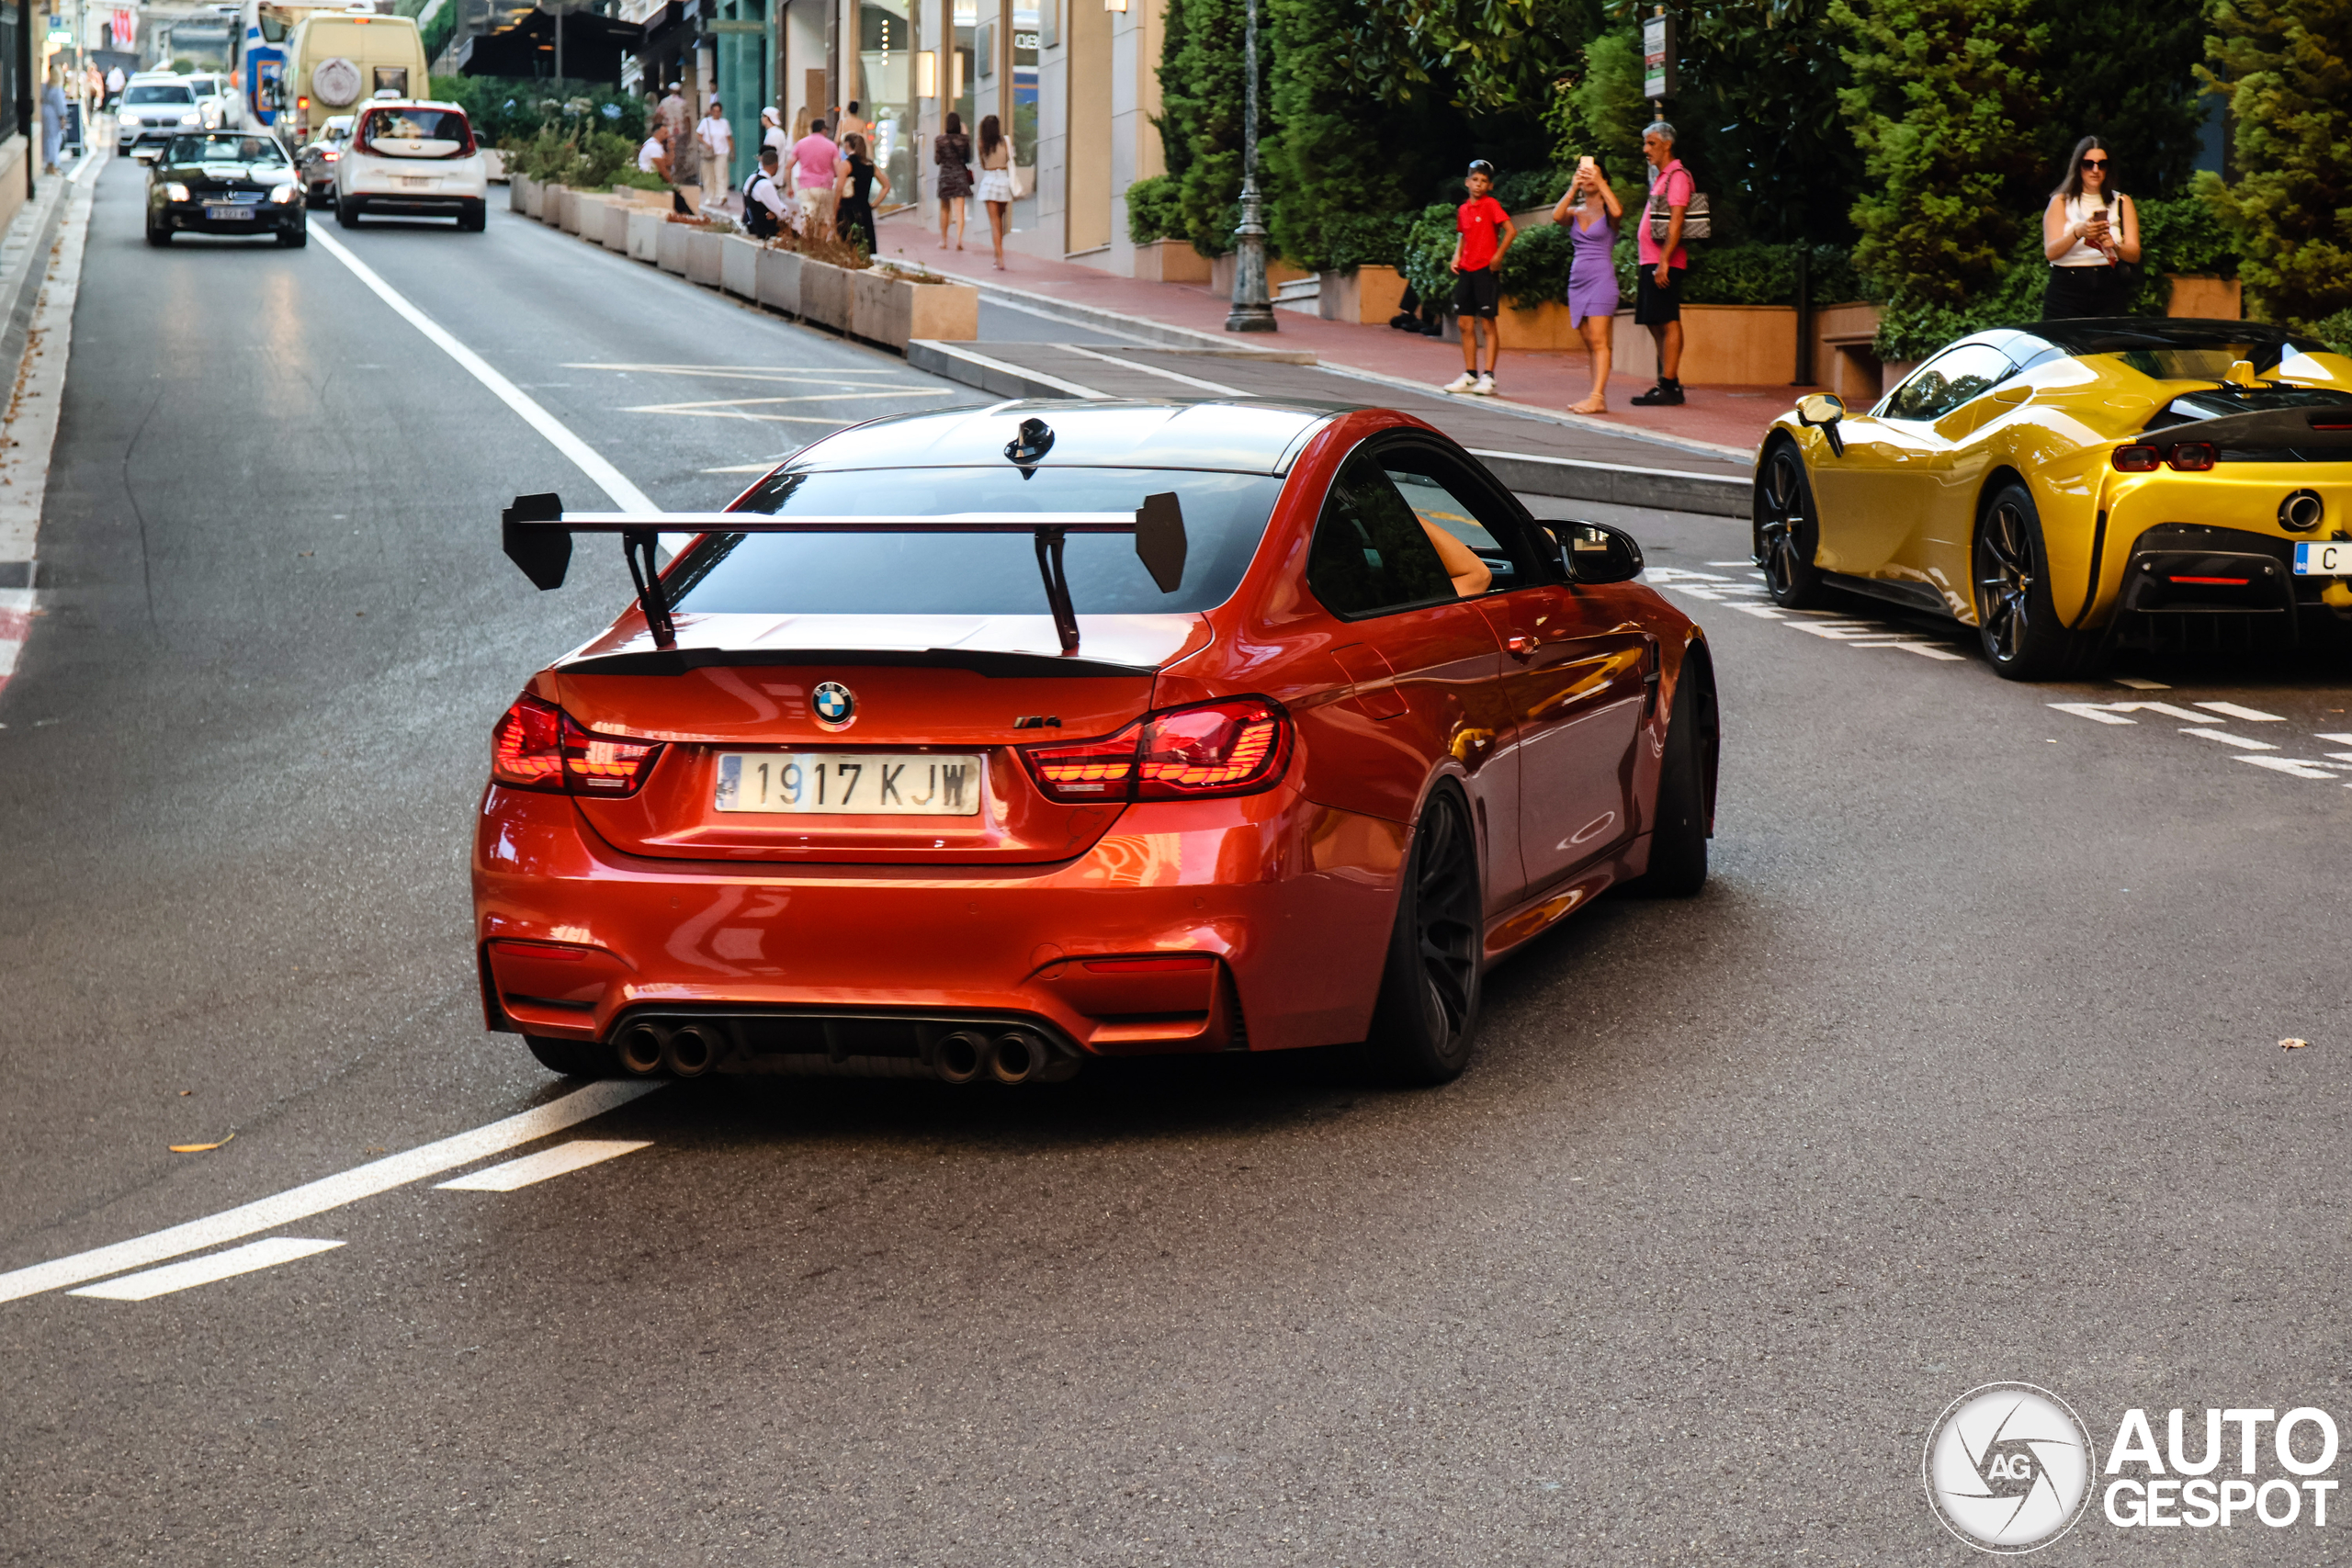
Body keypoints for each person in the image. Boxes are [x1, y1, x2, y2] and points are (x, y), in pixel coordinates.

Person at [1628, 120, 1694, 407]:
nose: (1646, 150)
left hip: (1663, 261)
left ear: (1667, 144)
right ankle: (1667, 382)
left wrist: (1665, 261)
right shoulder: (1661, 176)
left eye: (1651, 143)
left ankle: (1669, 385)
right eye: (1645, 144)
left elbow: (1677, 220)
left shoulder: (1677, 175)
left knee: (1667, 320)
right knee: (1655, 321)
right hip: (1651, 260)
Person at [1553, 154, 1623, 414]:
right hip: (1577, 281)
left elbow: (1618, 212)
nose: (1588, 177)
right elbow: (1556, 216)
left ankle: (1597, 396)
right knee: (1588, 340)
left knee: (1599, 340)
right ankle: (1597, 395)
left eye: (1594, 173)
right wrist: (1573, 186)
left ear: (1603, 178)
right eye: (1585, 173)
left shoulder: (1608, 212)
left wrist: (1600, 182)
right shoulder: (1575, 212)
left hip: (1601, 279)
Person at [2042, 136, 2140, 319]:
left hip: (2109, 286)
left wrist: (2114, 246)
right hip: (2067, 288)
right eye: (2088, 164)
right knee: (2065, 346)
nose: (2095, 170)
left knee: (2110, 346)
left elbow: (2134, 254)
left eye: (2102, 164)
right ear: (2078, 166)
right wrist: (2078, 232)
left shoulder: (2122, 202)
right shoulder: (2061, 201)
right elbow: (2051, 252)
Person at [1442, 160, 1514, 396]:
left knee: (1487, 322)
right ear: (1467, 182)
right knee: (1464, 323)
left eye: (1483, 181)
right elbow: (1462, 236)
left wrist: (1498, 257)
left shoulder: (1491, 205)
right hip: (1467, 270)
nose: (1478, 184)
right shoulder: (1463, 209)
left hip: (1486, 270)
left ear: (1489, 185)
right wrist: (1456, 257)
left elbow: (1511, 230)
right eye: (1475, 179)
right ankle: (1470, 374)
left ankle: (1488, 375)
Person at [834, 130, 888, 256]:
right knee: (865, 247)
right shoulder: (870, 165)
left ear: (848, 145)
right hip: (864, 209)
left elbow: (839, 189)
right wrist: (874, 204)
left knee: (847, 247)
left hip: (847, 209)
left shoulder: (846, 165)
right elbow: (886, 185)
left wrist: (834, 210)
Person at [974, 113, 1014, 270]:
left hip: (990, 179)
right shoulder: (1005, 141)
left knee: (994, 222)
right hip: (1003, 180)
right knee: (1001, 220)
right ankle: (999, 253)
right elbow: (1009, 160)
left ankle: (999, 256)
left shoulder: (981, 143)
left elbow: (983, 164)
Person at [790, 117, 840, 233]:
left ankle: (807, 244)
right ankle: (820, 246)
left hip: (806, 187)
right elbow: (837, 167)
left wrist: (789, 186)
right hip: (825, 187)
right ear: (823, 130)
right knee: (824, 219)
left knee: (808, 218)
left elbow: (788, 166)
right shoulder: (831, 146)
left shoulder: (800, 144)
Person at [934, 110, 972, 251]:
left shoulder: (939, 140)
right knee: (960, 209)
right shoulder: (964, 140)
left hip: (945, 175)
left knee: (945, 209)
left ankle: (944, 240)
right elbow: (968, 158)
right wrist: (965, 135)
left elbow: (937, 160)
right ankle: (959, 240)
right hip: (960, 174)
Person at [742, 145, 789, 239]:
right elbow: (782, 212)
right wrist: (775, 212)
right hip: (763, 230)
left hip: (750, 224)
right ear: (776, 165)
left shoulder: (752, 178)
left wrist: (773, 212)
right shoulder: (766, 185)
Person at [697, 96, 731, 190]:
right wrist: (705, 143)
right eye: (715, 111)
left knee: (721, 174)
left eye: (718, 111)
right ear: (711, 111)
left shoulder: (724, 122)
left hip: (722, 152)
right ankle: (710, 196)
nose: (717, 113)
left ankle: (722, 195)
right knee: (708, 175)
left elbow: (729, 138)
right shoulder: (705, 122)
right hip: (709, 152)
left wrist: (732, 152)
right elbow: (698, 135)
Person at [40, 69, 65, 175]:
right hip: (53, 114)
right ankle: (52, 165)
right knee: (54, 140)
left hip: (44, 112)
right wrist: (62, 118)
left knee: (47, 139)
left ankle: (48, 164)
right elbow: (60, 105)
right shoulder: (57, 88)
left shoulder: (45, 86)